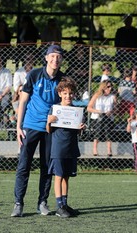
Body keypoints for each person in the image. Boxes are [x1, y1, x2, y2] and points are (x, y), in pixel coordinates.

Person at [11, 44, 65, 217]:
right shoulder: (34, 74)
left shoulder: (63, 79)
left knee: (47, 167)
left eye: (58, 56)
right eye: (52, 56)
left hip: (51, 129)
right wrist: (19, 127)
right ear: (46, 58)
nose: (55, 59)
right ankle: (18, 203)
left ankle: (42, 202)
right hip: (31, 126)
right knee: (23, 165)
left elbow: (66, 104)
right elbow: (23, 101)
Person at [46, 77, 85, 218]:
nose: (68, 96)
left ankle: (65, 204)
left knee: (66, 177)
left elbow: (78, 132)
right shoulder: (55, 109)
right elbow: (48, 130)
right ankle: (59, 207)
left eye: (70, 93)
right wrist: (49, 122)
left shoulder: (77, 111)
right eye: (65, 93)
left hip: (71, 148)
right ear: (60, 94)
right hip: (58, 149)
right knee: (59, 176)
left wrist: (81, 128)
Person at [87, 80, 116, 157]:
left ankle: (109, 150)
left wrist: (111, 111)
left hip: (108, 117)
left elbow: (117, 109)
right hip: (97, 117)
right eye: (108, 87)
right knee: (98, 129)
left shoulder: (112, 97)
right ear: (103, 87)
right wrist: (97, 111)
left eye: (110, 86)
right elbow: (89, 108)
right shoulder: (97, 96)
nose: (110, 88)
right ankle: (95, 149)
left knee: (108, 130)